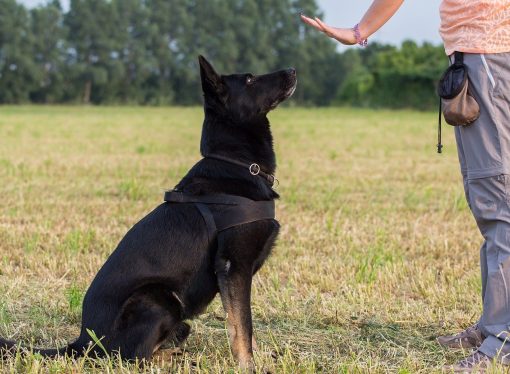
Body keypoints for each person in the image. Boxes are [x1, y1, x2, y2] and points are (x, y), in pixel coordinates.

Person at [301, 1, 510, 372]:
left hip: (489, 56)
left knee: (497, 202)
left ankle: (503, 339)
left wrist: (359, 30)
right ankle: (492, 325)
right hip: (482, 54)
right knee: (491, 202)